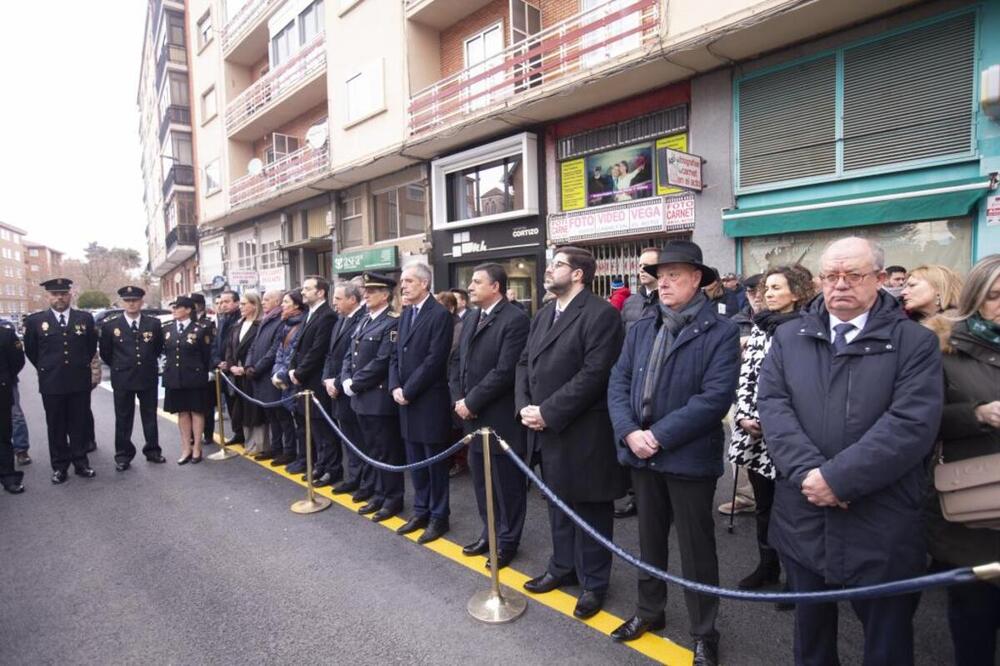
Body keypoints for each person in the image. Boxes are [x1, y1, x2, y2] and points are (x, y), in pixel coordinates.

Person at [757, 237, 943, 666]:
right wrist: (810, 475)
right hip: (804, 512)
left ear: (880, 280)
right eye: (830, 276)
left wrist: (839, 479)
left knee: (887, 640)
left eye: (853, 275)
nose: (840, 285)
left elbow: (911, 424)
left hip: (881, 519)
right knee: (812, 638)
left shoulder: (915, 343)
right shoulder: (788, 337)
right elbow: (774, 407)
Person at [606, 240, 740, 665]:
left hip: (687, 459)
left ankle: (704, 631)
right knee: (649, 542)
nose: (663, 284)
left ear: (697, 279)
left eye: (674, 277)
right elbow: (618, 382)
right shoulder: (643, 326)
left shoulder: (721, 332)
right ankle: (650, 612)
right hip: (641, 455)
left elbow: (714, 399)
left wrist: (657, 436)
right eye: (659, 277)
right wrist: (629, 432)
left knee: (697, 550)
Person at [516, 246, 627, 621]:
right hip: (544, 428)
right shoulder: (545, 313)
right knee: (557, 504)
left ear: (579, 274)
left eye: (557, 265)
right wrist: (524, 407)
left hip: (583, 430)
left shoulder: (601, 315)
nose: (548, 270)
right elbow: (525, 362)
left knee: (591, 509)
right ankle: (562, 566)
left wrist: (548, 411)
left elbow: (595, 375)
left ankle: (594, 583)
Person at [925, 254, 1000, 665]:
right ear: (974, 299)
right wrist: (976, 414)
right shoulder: (940, 348)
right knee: (975, 627)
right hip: (973, 515)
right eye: (995, 297)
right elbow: (919, 422)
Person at [729, 267, 815, 592]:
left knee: (791, 510)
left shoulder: (807, 328)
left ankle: (796, 580)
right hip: (754, 431)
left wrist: (773, 421)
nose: (768, 294)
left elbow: (804, 385)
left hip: (787, 435)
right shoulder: (761, 327)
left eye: (777, 288)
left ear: (797, 292)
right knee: (764, 506)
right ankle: (767, 566)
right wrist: (742, 416)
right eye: (767, 288)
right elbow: (747, 376)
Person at [451, 262, 530, 569]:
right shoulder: (471, 316)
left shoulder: (514, 320)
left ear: (495, 286)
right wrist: (459, 397)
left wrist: (472, 400)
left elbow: (505, 371)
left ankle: (508, 541)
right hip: (470, 414)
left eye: (476, 281)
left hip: (499, 419)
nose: (470, 287)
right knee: (482, 483)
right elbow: (457, 360)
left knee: (506, 485)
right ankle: (490, 533)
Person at [390, 263, 455, 544]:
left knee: (433, 462)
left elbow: (434, 360)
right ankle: (421, 510)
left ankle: (439, 516)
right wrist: (394, 386)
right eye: (402, 281)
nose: (403, 286)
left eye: (409, 281)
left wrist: (409, 390)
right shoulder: (406, 314)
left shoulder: (439, 315)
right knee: (415, 460)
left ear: (425, 284)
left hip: (427, 401)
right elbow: (396, 355)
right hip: (405, 400)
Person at [341, 272, 404, 522]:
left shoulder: (392, 321)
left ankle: (392, 498)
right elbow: (350, 353)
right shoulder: (365, 320)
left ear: (386, 295)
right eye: (365, 290)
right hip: (360, 398)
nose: (365, 294)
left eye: (372, 291)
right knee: (371, 450)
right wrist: (345, 378)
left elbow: (383, 360)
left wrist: (355, 383)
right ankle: (378, 494)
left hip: (377, 399)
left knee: (386, 452)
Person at [23, 278, 98, 484]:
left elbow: (90, 347)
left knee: (79, 423)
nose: (59, 298)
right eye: (55, 294)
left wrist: (80, 364)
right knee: (55, 425)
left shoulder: (84, 319)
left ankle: (81, 462)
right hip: (52, 382)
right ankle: (59, 466)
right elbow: (31, 350)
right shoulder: (36, 321)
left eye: (63, 294)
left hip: (78, 381)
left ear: (70, 295)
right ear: (47, 296)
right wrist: (47, 367)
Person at [98, 286, 165, 471]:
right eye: (127, 300)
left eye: (135, 300)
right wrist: (121, 365)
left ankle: (153, 451)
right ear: (121, 302)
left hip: (147, 376)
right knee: (123, 418)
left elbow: (157, 348)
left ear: (142, 302)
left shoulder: (153, 324)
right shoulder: (111, 325)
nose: (131, 303)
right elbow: (106, 353)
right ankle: (123, 455)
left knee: (149, 416)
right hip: (123, 378)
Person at [322, 278, 372, 499]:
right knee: (348, 438)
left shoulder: (363, 319)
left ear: (353, 299)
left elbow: (352, 359)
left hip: (350, 389)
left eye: (338, 299)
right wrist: (327, 379)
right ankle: (353, 478)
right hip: (336, 386)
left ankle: (365, 482)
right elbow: (331, 354)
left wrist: (340, 384)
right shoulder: (340, 320)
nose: (334, 304)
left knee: (361, 440)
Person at [288, 276, 340, 486]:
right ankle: (321, 465)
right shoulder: (310, 314)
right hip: (304, 381)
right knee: (315, 428)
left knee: (325, 428)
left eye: (308, 289)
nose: (303, 293)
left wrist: (299, 372)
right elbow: (298, 347)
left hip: (316, 381)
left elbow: (317, 350)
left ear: (321, 292)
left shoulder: (326, 316)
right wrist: (292, 368)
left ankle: (332, 469)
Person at [162, 296, 213, 464]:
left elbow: (206, 355)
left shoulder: (200, 329)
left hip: (194, 376)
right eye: (174, 307)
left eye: (178, 307)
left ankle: (197, 447)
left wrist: (205, 373)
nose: (175, 310)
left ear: (188, 310)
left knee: (196, 411)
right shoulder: (167, 329)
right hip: (174, 377)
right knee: (182, 412)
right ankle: (186, 448)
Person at [244, 290, 289, 461]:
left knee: (281, 416)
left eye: (267, 299)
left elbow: (274, 350)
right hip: (258, 376)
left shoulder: (279, 321)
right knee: (271, 415)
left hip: (269, 375)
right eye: (262, 299)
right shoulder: (266, 320)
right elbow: (254, 345)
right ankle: (275, 447)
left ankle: (287, 450)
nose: (263, 302)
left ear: (277, 301)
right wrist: (249, 364)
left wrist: (257, 368)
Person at [225, 291, 265, 454]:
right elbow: (230, 348)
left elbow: (260, 350)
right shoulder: (237, 325)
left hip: (251, 373)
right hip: (237, 374)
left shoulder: (260, 325)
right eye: (240, 304)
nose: (240, 307)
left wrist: (246, 367)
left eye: (244, 304)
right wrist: (231, 365)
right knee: (241, 409)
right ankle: (248, 442)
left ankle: (259, 444)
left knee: (254, 410)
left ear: (254, 305)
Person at [270, 291, 306, 468]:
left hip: (295, 380)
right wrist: (277, 372)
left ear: (297, 306)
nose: (282, 305)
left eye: (286, 302)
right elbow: (280, 352)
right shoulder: (286, 326)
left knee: (302, 424)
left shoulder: (301, 326)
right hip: (285, 378)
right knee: (296, 422)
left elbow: (293, 354)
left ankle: (305, 459)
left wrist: (282, 374)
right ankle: (301, 458)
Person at [213, 290, 243, 445]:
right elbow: (216, 344)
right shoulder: (223, 319)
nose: (223, 305)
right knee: (231, 404)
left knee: (240, 404)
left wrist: (230, 363)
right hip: (223, 369)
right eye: (221, 302)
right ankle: (237, 432)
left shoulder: (240, 319)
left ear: (237, 303)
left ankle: (244, 433)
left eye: (227, 302)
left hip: (236, 369)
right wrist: (218, 361)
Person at [0, 320, 25, 494]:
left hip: (1, 390)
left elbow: (17, 360)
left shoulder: (6, 335)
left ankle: (8, 476)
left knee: (3, 436)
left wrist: (6, 378)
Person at [190, 293, 218, 446]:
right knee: (192, 405)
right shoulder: (187, 322)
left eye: (194, 304)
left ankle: (208, 433)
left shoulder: (208, 322)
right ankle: (194, 435)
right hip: (190, 369)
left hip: (205, 367)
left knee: (207, 404)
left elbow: (212, 347)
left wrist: (211, 369)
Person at [621, 247, 661, 333]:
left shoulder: (670, 301)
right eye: (640, 266)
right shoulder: (629, 302)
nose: (641, 270)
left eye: (646, 266)